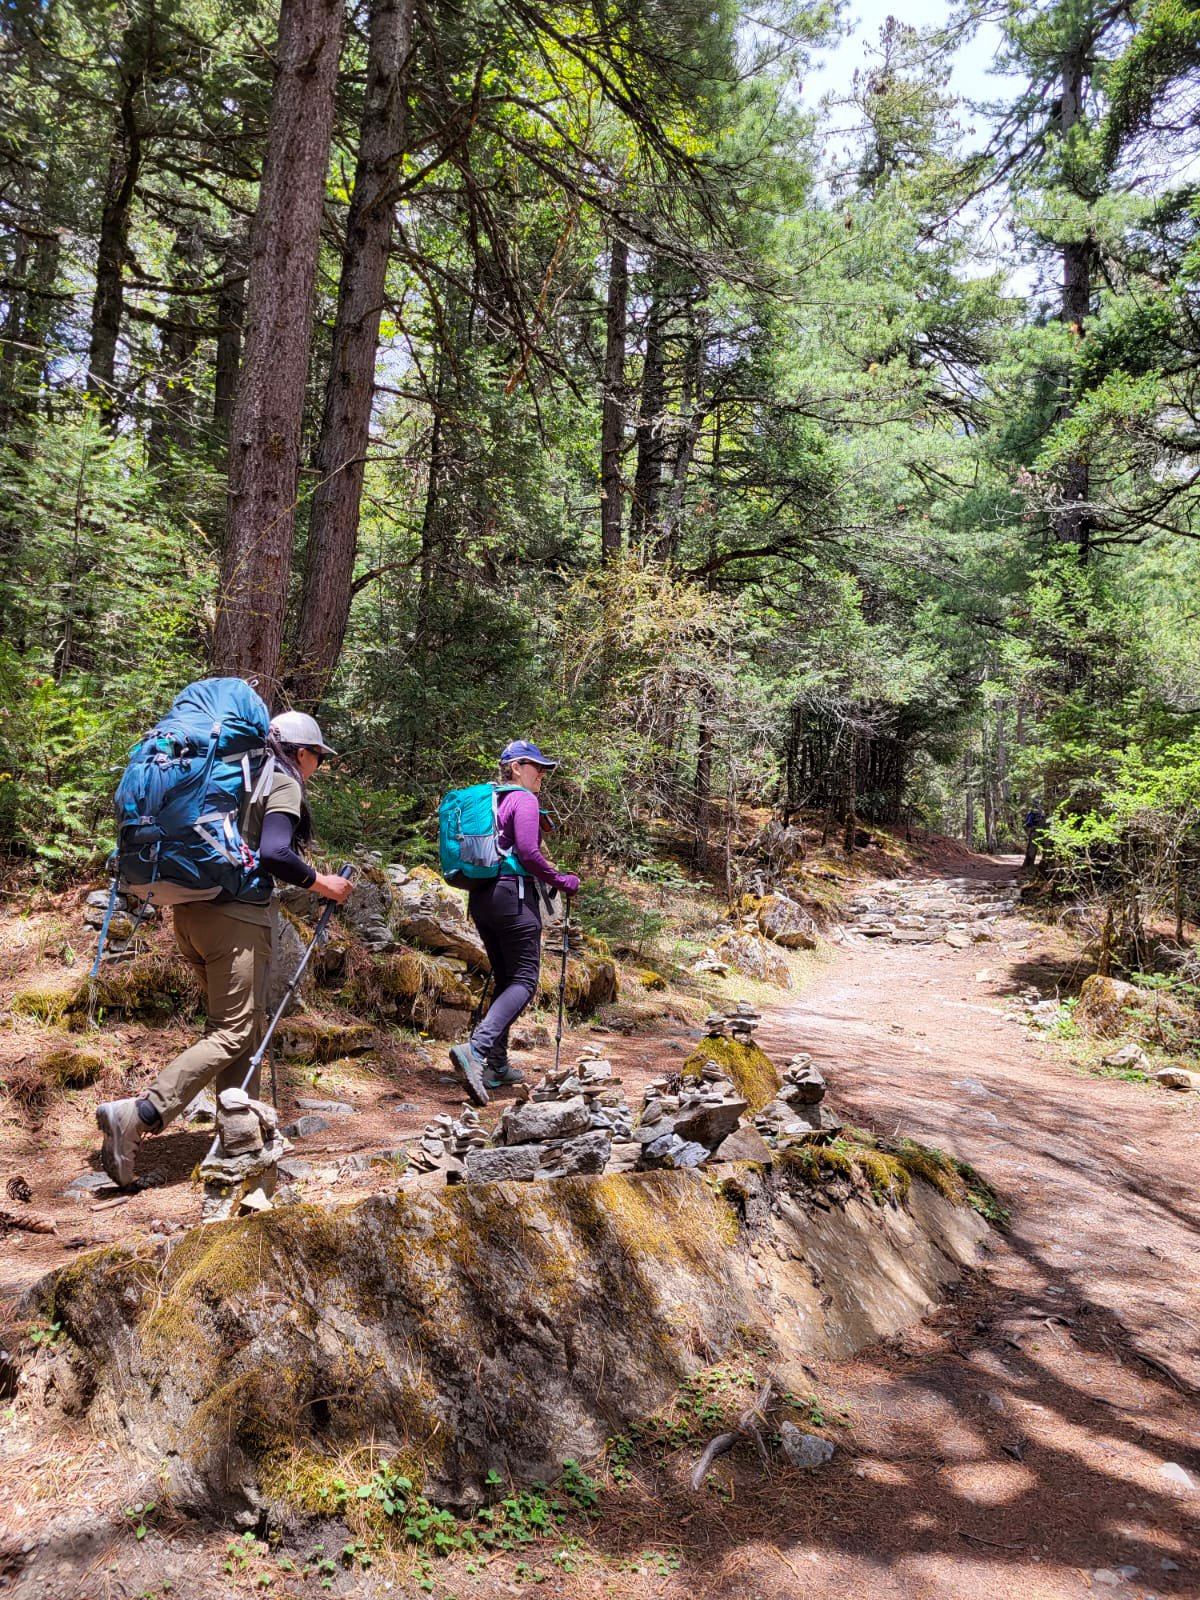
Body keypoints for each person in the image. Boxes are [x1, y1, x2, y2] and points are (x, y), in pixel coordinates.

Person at [95, 710, 351, 1186]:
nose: (318, 764)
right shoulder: (281, 779)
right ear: (300, 752)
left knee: (239, 1029)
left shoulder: (230, 774)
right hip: (236, 919)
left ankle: (239, 1134)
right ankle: (141, 1112)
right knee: (234, 1032)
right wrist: (323, 883)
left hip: (191, 914)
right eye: (317, 755)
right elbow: (276, 853)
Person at [449, 740, 579, 1106]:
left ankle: (497, 1064)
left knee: (506, 979)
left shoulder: (494, 801)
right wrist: (562, 880)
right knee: (524, 980)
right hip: (514, 896)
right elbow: (528, 852)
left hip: (483, 897)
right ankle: (476, 1050)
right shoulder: (523, 800)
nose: (542, 774)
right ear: (517, 767)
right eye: (537, 767)